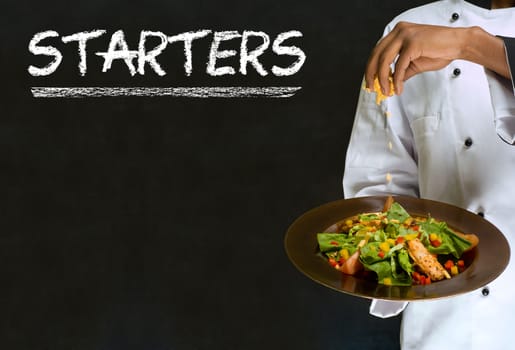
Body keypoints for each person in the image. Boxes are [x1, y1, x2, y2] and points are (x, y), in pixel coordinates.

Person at [342, 0, 515, 349]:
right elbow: (380, 180)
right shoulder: (410, 30)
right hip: (445, 325)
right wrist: (383, 253)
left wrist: (471, 45)